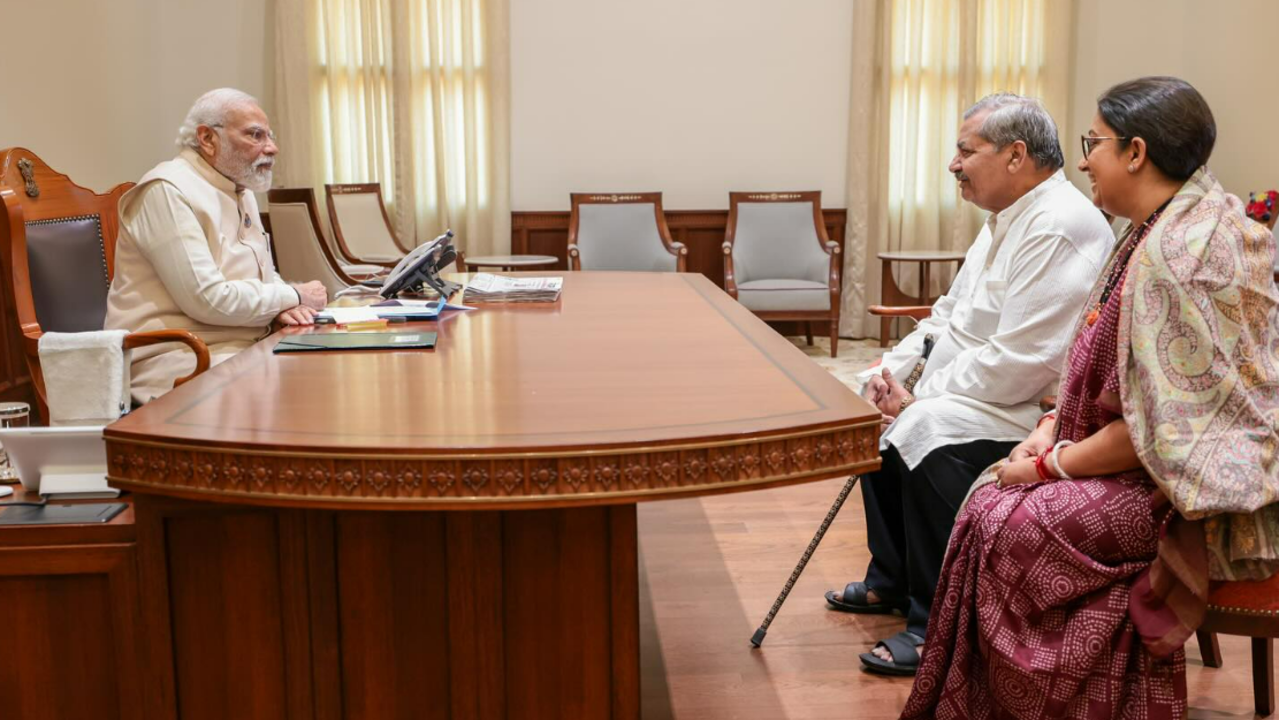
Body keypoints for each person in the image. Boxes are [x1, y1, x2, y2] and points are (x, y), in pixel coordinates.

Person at [903, 76, 1279, 719]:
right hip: (1140, 462)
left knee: (1006, 521)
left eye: (1092, 143)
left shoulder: (1181, 254)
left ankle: (1057, 702)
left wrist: (1048, 464)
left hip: (1192, 494)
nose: (1081, 160)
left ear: (1135, 152)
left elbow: (1159, 432)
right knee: (990, 503)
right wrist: (1052, 424)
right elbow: (1099, 367)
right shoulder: (1158, 226)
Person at [824, 93, 1115, 676]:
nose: (953, 164)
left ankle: (936, 624)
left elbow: (1021, 362)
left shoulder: (1056, 225)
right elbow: (946, 315)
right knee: (878, 412)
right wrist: (891, 372)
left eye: (965, 151)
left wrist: (921, 397)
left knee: (925, 425)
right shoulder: (1004, 219)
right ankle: (895, 577)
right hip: (975, 390)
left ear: (1015, 155)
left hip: (1025, 408)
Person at [106, 88, 327, 404]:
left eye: (270, 136)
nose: (272, 148)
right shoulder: (167, 189)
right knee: (300, 394)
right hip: (180, 356)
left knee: (326, 365)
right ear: (207, 139)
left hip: (243, 344)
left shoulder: (240, 188)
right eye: (256, 135)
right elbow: (206, 299)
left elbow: (265, 274)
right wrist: (293, 295)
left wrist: (286, 308)